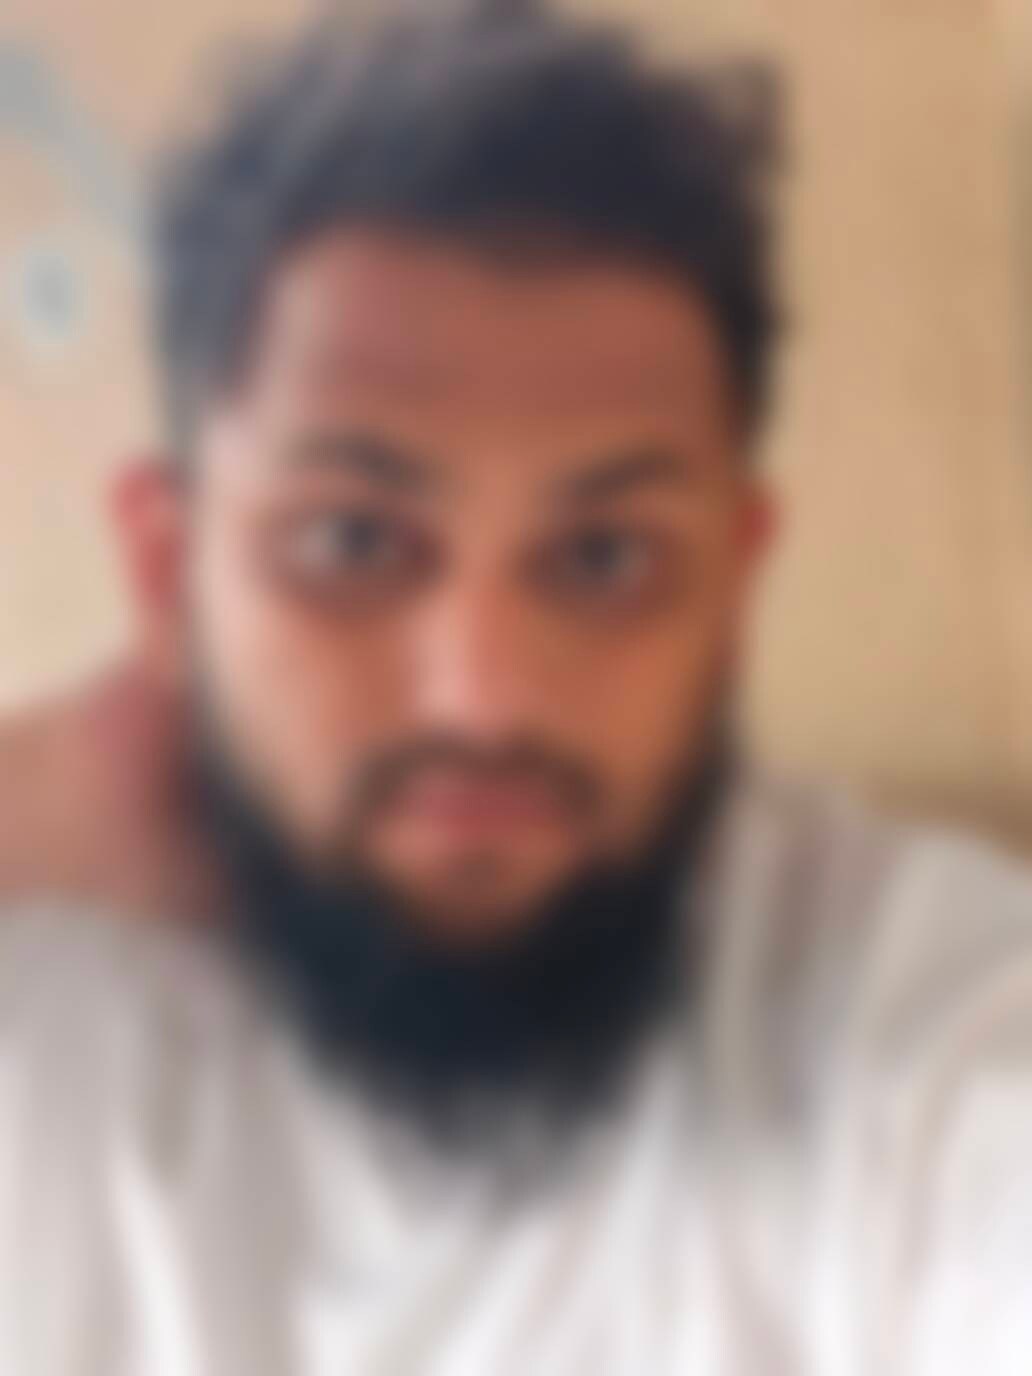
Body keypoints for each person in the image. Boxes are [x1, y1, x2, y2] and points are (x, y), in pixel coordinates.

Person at [1, 2, 1030, 1372]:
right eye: (352, 541)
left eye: (605, 556)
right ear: (167, 571)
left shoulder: (931, 1020)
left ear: (732, 586)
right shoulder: (42, 1033)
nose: (483, 698)